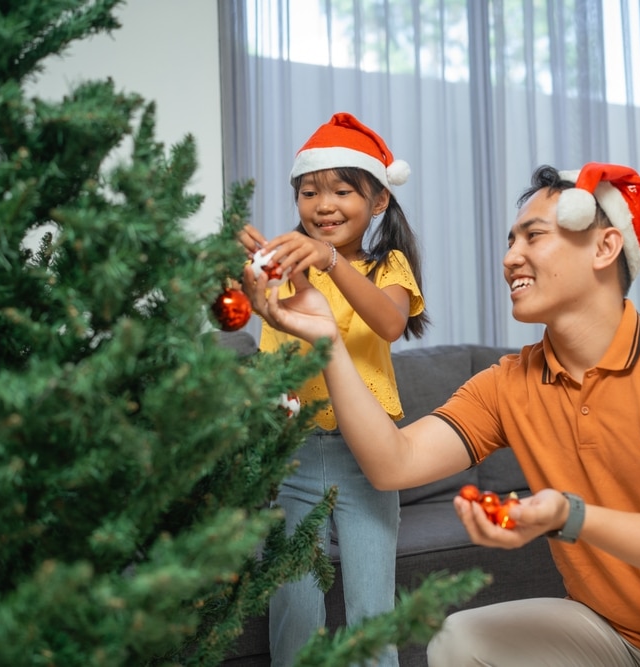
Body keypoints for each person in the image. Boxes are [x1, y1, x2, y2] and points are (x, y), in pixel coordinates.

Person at [244, 161, 640, 666]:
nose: (511, 257)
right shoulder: (510, 383)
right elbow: (393, 464)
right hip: (610, 637)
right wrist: (329, 343)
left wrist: (569, 516)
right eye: (510, 240)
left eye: (534, 236)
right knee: (460, 643)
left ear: (605, 248)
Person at [238, 112, 428, 667]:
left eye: (343, 190)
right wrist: (255, 286)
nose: (323, 204)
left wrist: (332, 262)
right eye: (309, 191)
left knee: (372, 612)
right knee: (294, 609)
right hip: (293, 455)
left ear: (377, 203)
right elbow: (268, 343)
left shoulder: (386, 265)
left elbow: (390, 325)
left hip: (368, 458)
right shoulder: (286, 268)